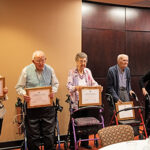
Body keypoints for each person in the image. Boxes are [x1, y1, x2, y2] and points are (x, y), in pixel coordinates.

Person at [15, 50, 59, 150]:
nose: (41, 63)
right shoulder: (26, 70)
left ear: (45, 60)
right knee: (33, 135)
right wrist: (24, 94)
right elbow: (19, 87)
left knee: (49, 134)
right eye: (38, 61)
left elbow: (55, 84)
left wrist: (53, 91)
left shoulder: (50, 70)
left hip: (47, 108)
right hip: (32, 108)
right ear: (33, 61)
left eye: (43, 60)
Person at [67, 52, 102, 149]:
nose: (83, 63)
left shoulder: (87, 71)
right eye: (81, 61)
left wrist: (98, 87)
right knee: (74, 122)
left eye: (85, 61)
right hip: (76, 102)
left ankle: (84, 143)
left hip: (87, 101)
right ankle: (73, 143)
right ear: (76, 62)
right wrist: (76, 87)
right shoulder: (72, 72)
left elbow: (93, 83)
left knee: (86, 121)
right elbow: (69, 86)